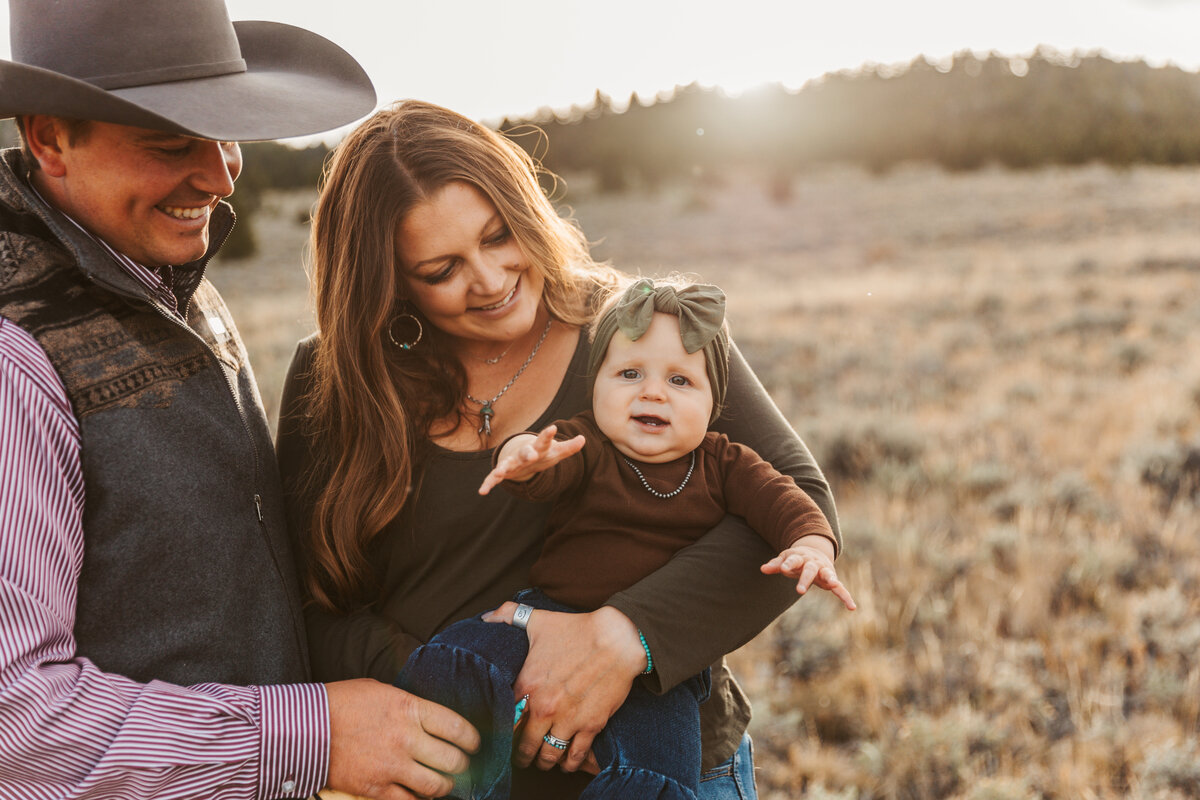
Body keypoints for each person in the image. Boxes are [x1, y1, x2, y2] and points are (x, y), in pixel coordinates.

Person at [277, 100, 844, 800]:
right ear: (387, 281)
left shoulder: (639, 328)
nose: (488, 279)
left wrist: (626, 637)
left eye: (496, 236)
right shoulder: (334, 377)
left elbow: (800, 506)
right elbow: (310, 604)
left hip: (664, 766)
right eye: (441, 269)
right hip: (448, 777)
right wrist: (462, 692)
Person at [0, 3, 479, 799]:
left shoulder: (168, 278)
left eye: (226, 135)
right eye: (171, 143)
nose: (221, 177)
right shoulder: (16, 358)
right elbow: (16, 725)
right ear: (49, 137)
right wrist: (315, 737)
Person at [392, 277, 856, 800]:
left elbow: (785, 500)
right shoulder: (588, 443)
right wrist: (523, 457)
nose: (652, 392)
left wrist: (811, 544)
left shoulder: (726, 463)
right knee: (464, 658)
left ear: (714, 402)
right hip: (545, 623)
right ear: (597, 385)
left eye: (681, 381)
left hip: (663, 671)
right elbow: (547, 464)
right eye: (629, 374)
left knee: (656, 767)